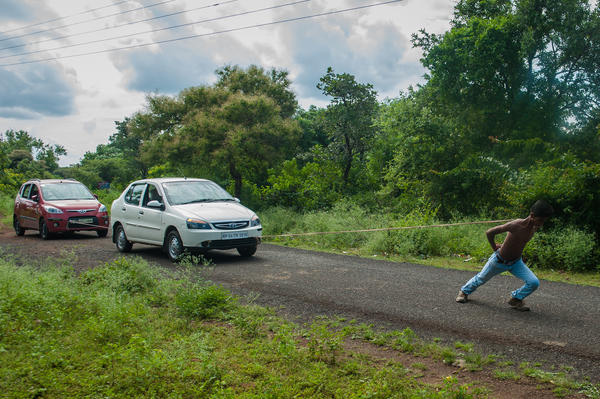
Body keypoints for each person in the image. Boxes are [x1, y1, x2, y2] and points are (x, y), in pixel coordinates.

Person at [456, 200, 554, 311]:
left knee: (534, 282)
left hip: (516, 262)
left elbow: (519, 241)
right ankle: (464, 292)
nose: (542, 224)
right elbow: (490, 232)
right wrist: (494, 247)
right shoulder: (515, 225)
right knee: (481, 278)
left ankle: (516, 299)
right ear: (532, 215)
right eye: (540, 220)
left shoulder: (534, 227)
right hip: (499, 260)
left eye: (544, 221)